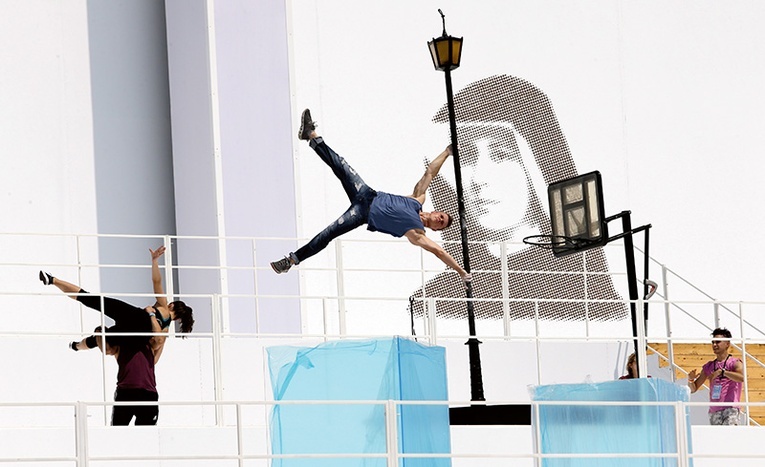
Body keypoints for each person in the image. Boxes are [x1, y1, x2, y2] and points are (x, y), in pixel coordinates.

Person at [409, 75, 626, 321]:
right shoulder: (436, 299)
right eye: (467, 157)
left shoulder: (587, 290)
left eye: (501, 155)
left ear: (536, 161)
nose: (479, 180)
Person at [269, 109, 471, 284]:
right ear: (436, 212)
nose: (438, 219)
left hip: (361, 213)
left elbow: (440, 252)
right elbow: (430, 173)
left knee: (327, 234)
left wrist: (460, 272)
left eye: (440, 224)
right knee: (340, 164)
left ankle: (291, 261)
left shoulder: (417, 234)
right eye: (441, 217)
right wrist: (447, 152)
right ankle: (310, 135)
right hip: (365, 193)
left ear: (435, 229)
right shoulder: (418, 199)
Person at [41, 245, 194, 350]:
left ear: (172, 305)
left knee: (90, 299)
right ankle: (76, 346)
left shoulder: (163, 304)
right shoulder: (165, 331)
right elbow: (156, 350)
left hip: (133, 314)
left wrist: (154, 261)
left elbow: (157, 281)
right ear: (177, 319)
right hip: (134, 331)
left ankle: (53, 280)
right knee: (98, 340)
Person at [82, 322, 166, 426]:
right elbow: (107, 350)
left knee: (146, 435)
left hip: (147, 393)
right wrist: (99, 332)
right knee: (118, 431)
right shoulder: (120, 345)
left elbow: (161, 339)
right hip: (126, 392)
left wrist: (154, 316)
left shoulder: (149, 343)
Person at [688, 327, 745, 425]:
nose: (714, 345)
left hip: (730, 409)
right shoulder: (709, 366)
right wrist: (690, 380)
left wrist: (723, 372)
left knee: (730, 437)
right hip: (714, 410)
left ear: (727, 344)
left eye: (718, 342)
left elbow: (742, 378)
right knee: (717, 439)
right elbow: (693, 389)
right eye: (713, 342)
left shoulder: (734, 363)